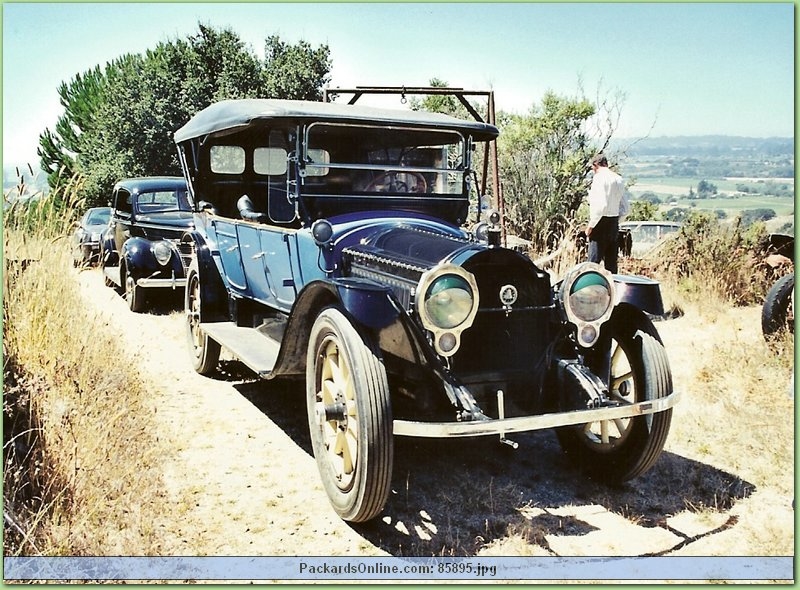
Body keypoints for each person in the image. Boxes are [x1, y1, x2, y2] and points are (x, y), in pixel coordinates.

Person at [585, 153, 629, 274]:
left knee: (592, 264)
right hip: (613, 223)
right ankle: (614, 290)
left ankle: (589, 290)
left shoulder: (599, 178)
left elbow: (601, 206)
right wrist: (615, 222)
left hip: (600, 224)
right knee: (611, 266)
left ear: (595, 165)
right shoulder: (618, 179)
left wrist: (591, 225)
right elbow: (625, 208)